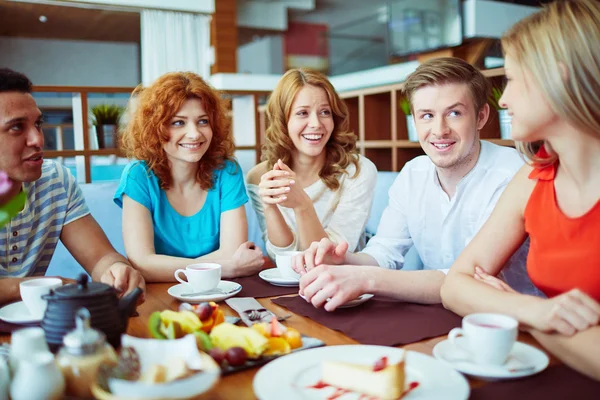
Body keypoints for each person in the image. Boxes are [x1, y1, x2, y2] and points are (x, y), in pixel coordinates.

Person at [295, 57, 541, 311]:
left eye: (454, 113)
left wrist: (368, 279)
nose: (439, 130)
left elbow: (473, 281)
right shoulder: (414, 173)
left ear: (480, 117)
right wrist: (343, 260)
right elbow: (385, 252)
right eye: (426, 116)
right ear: (414, 121)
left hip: (511, 324)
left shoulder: (512, 174)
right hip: (438, 316)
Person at [440, 0, 600, 381]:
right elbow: (455, 285)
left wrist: (515, 309)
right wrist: (534, 311)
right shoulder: (534, 178)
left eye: (510, 78)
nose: (504, 99)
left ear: (558, 78)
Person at [0, 68, 145, 305]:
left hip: (40, 329)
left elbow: (100, 258)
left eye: (38, 124)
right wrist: (53, 285)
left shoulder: (55, 181)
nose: (38, 139)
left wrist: (117, 271)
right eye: (17, 127)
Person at [115, 72, 264, 282]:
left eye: (203, 121)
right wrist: (227, 268)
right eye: (178, 123)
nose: (194, 134)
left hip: (221, 290)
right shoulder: (138, 175)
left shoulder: (227, 171)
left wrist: (167, 267)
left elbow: (232, 252)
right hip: (161, 296)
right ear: (156, 128)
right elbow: (143, 264)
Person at [246, 68, 377, 260]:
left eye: (325, 112)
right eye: (302, 113)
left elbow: (331, 258)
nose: (316, 123)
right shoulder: (260, 176)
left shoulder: (358, 171)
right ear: (283, 121)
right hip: (287, 283)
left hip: (344, 282)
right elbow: (279, 256)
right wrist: (270, 206)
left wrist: (302, 205)